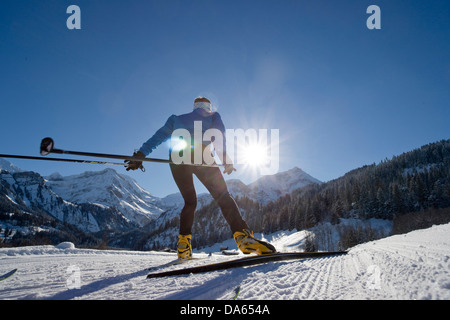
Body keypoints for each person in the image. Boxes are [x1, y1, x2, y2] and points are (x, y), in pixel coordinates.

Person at [125, 97, 276, 259]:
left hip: (177, 157)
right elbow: (219, 138)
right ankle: (243, 238)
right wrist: (225, 160)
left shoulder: (175, 119)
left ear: (194, 106)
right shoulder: (213, 116)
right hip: (202, 155)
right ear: (208, 107)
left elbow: (158, 137)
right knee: (223, 196)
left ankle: (183, 246)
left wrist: (141, 155)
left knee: (190, 202)